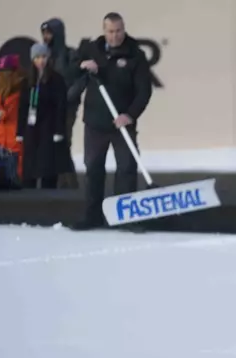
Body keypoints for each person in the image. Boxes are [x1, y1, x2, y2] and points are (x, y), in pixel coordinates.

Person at [68, 12, 153, 230]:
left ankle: (125, 218)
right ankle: (92, 216)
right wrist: (82, 66)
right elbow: (70, 70)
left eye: (118, 31)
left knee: (126, 168)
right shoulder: (91, 49)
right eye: (110, 32)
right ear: (103, 31)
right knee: (93, 168)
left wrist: (129, 115)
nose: (115, 36)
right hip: (95, 123)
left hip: (123, 123)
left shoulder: (136, 55)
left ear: (124, 29)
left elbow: (144, 91)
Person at [16, 43, 73, 188]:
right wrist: (20, 131)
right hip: (31, 127)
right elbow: (22, 106)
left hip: (49, 127)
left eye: (43, 57)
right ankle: (28, 188)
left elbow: (61, 106)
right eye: (37, 57)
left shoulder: (56, 80)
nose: (41, 61)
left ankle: (49, 193)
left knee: (48, 162)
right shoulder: (27, 81)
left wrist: (59, 130)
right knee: (30, 161)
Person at [40, 17, 79, 188]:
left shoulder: (70, 55)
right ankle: (57, 182)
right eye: (44, 33)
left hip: (67, 108)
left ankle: (68, 184)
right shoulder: (44, 56)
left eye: (49, 33)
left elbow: (79, 81)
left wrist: (66, 98)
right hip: (47, 108)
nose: (46, 37)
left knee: (63, 143)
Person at [0, 54, 27, 179]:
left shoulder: (23, 91)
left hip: (14, 137)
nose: (6, 75)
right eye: (3, 71)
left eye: (9, 71)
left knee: (16, 168)